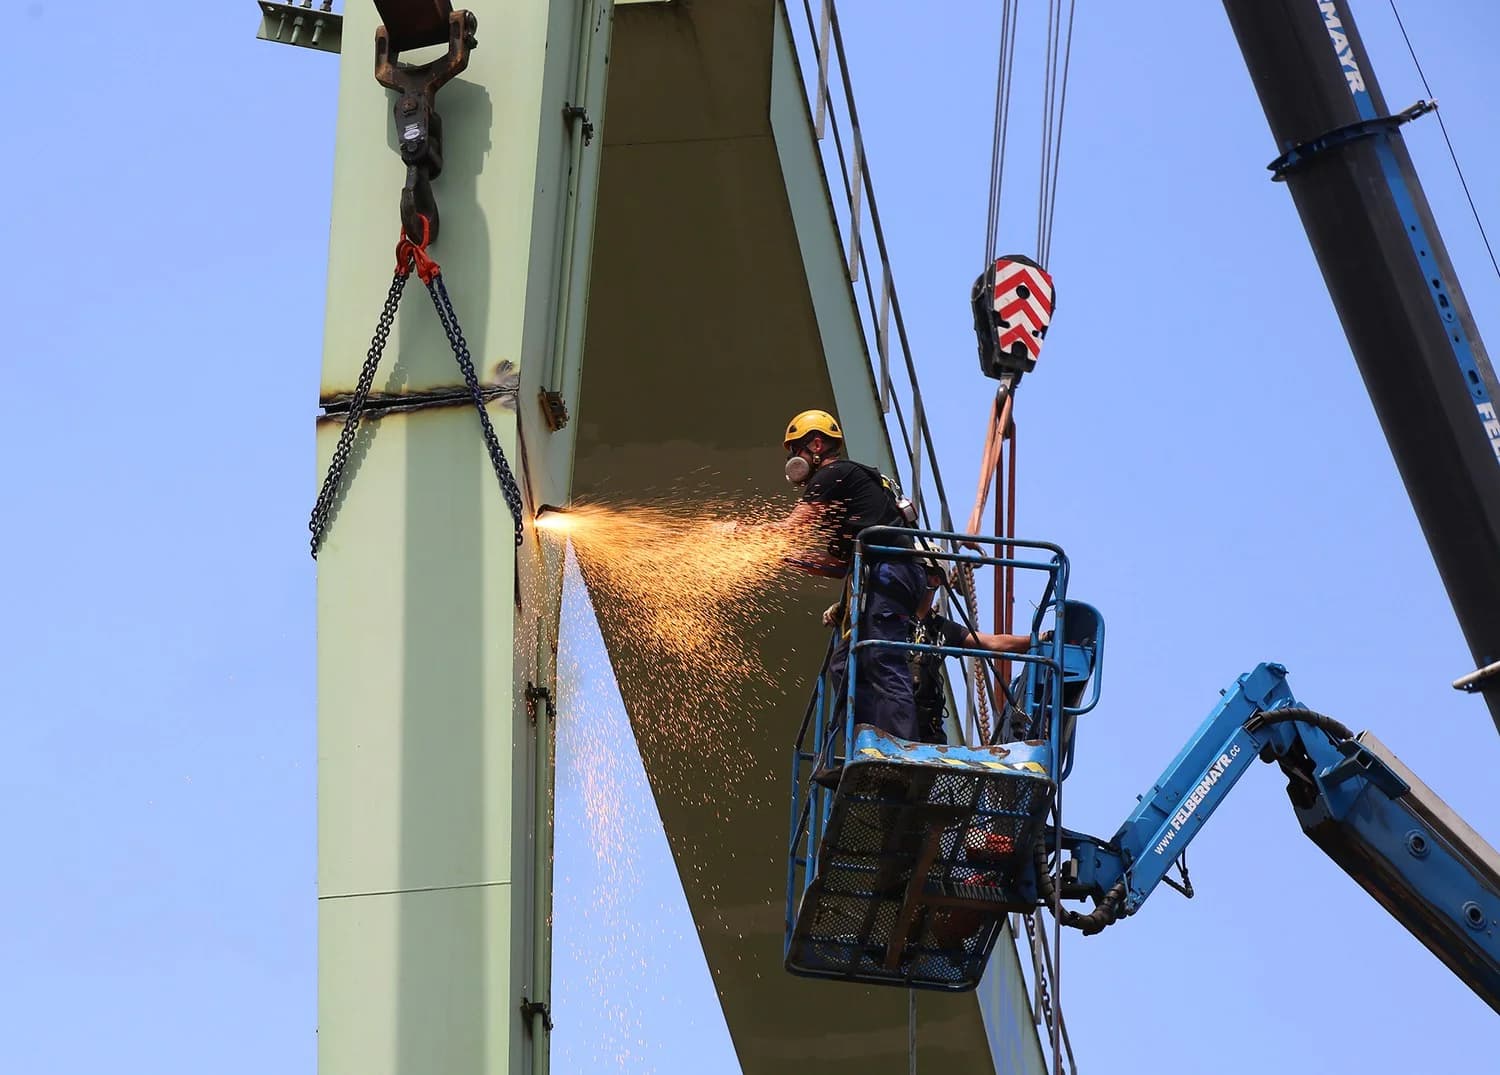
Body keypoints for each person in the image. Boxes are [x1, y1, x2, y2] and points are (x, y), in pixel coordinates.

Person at [777, 408, 926, 745]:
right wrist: (788, 558)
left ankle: (899, 748)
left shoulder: (833, 475)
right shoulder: (846, 497)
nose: (793, 461)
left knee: (881, 659)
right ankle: (864, 745)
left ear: (816, 445)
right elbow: (837, 565)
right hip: (883, 575)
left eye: (796, 450)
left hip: (893, 571)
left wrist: (740, 533)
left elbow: (787, 531)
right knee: (843, 665)